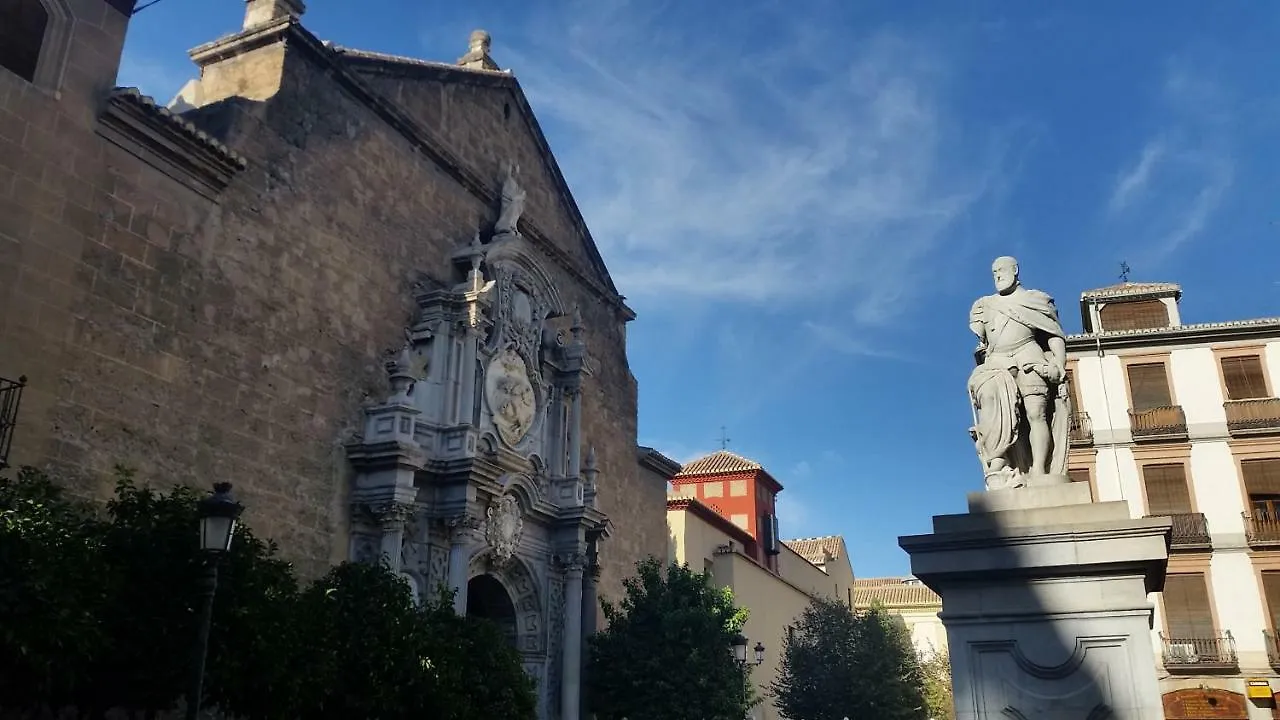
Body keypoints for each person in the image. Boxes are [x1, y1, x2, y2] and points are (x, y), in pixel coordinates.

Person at [967, 256, 1070, 488]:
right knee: (993, 407)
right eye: (994, 273)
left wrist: (1058, 364)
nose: (998, 276)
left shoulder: (1036, 300)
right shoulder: (984, 305)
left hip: (1029, 356)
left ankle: (1040, 470)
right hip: (997, 362)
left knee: (1036, 414)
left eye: (1002, 270)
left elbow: (1054, 335)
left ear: (1015, 270)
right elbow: (982, 339)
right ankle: (999, 460)